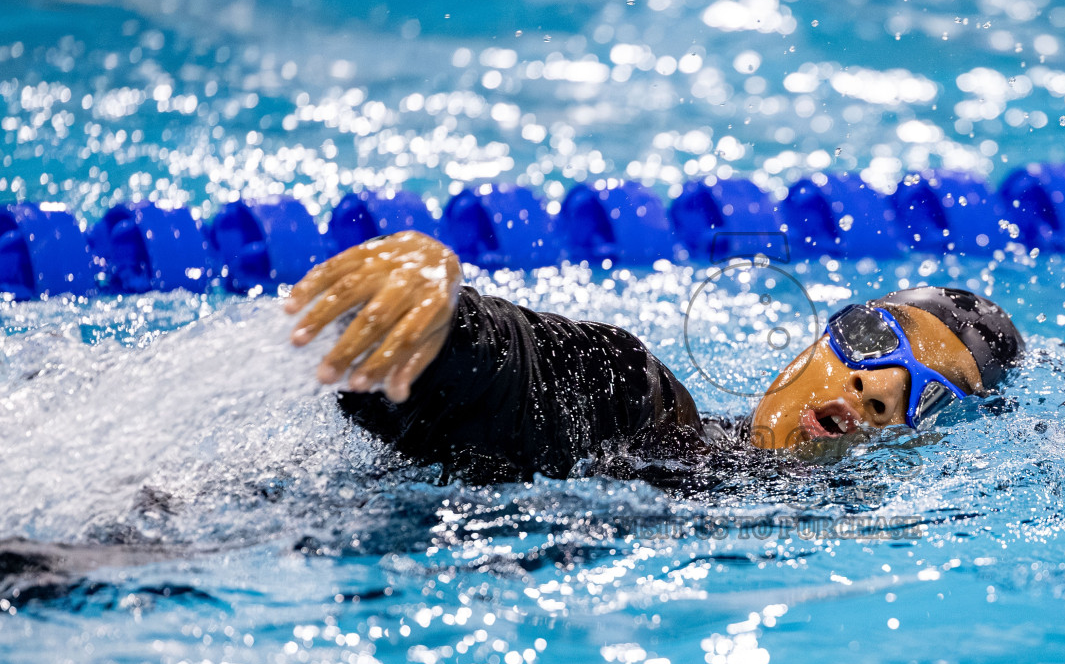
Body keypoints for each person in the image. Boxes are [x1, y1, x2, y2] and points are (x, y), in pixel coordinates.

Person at [284, 231, 1024, 484]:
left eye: (927, 396)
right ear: (809, 347)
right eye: (872, 337)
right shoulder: (653, 420)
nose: (879, 386)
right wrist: (445, 315)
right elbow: (552, 375)